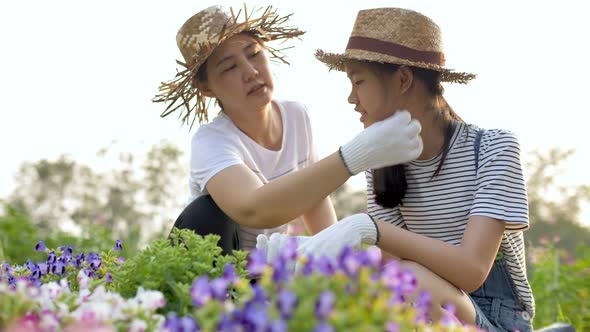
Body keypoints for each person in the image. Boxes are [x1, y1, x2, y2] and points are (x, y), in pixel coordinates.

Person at [279, 7, 534, 331]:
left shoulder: (493, 148)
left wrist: (369, 227)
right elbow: (391, 273)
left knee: (409, 279)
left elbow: (472, 271)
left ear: (402, 79)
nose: (351, 98)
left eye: (358, 81)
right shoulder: (384, 166)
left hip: (498, 322)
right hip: (425, 316)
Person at [153, 5, 423, 255]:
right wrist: (356, 155)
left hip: (264, 272)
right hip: (214, 269)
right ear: (207, 88)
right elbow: (253, 208)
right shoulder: (211, 141)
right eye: (230, 67)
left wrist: (338, 260)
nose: (250, 72)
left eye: (254, 54)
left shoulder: (296, 116)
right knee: (205, 211)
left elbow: (314, 196)